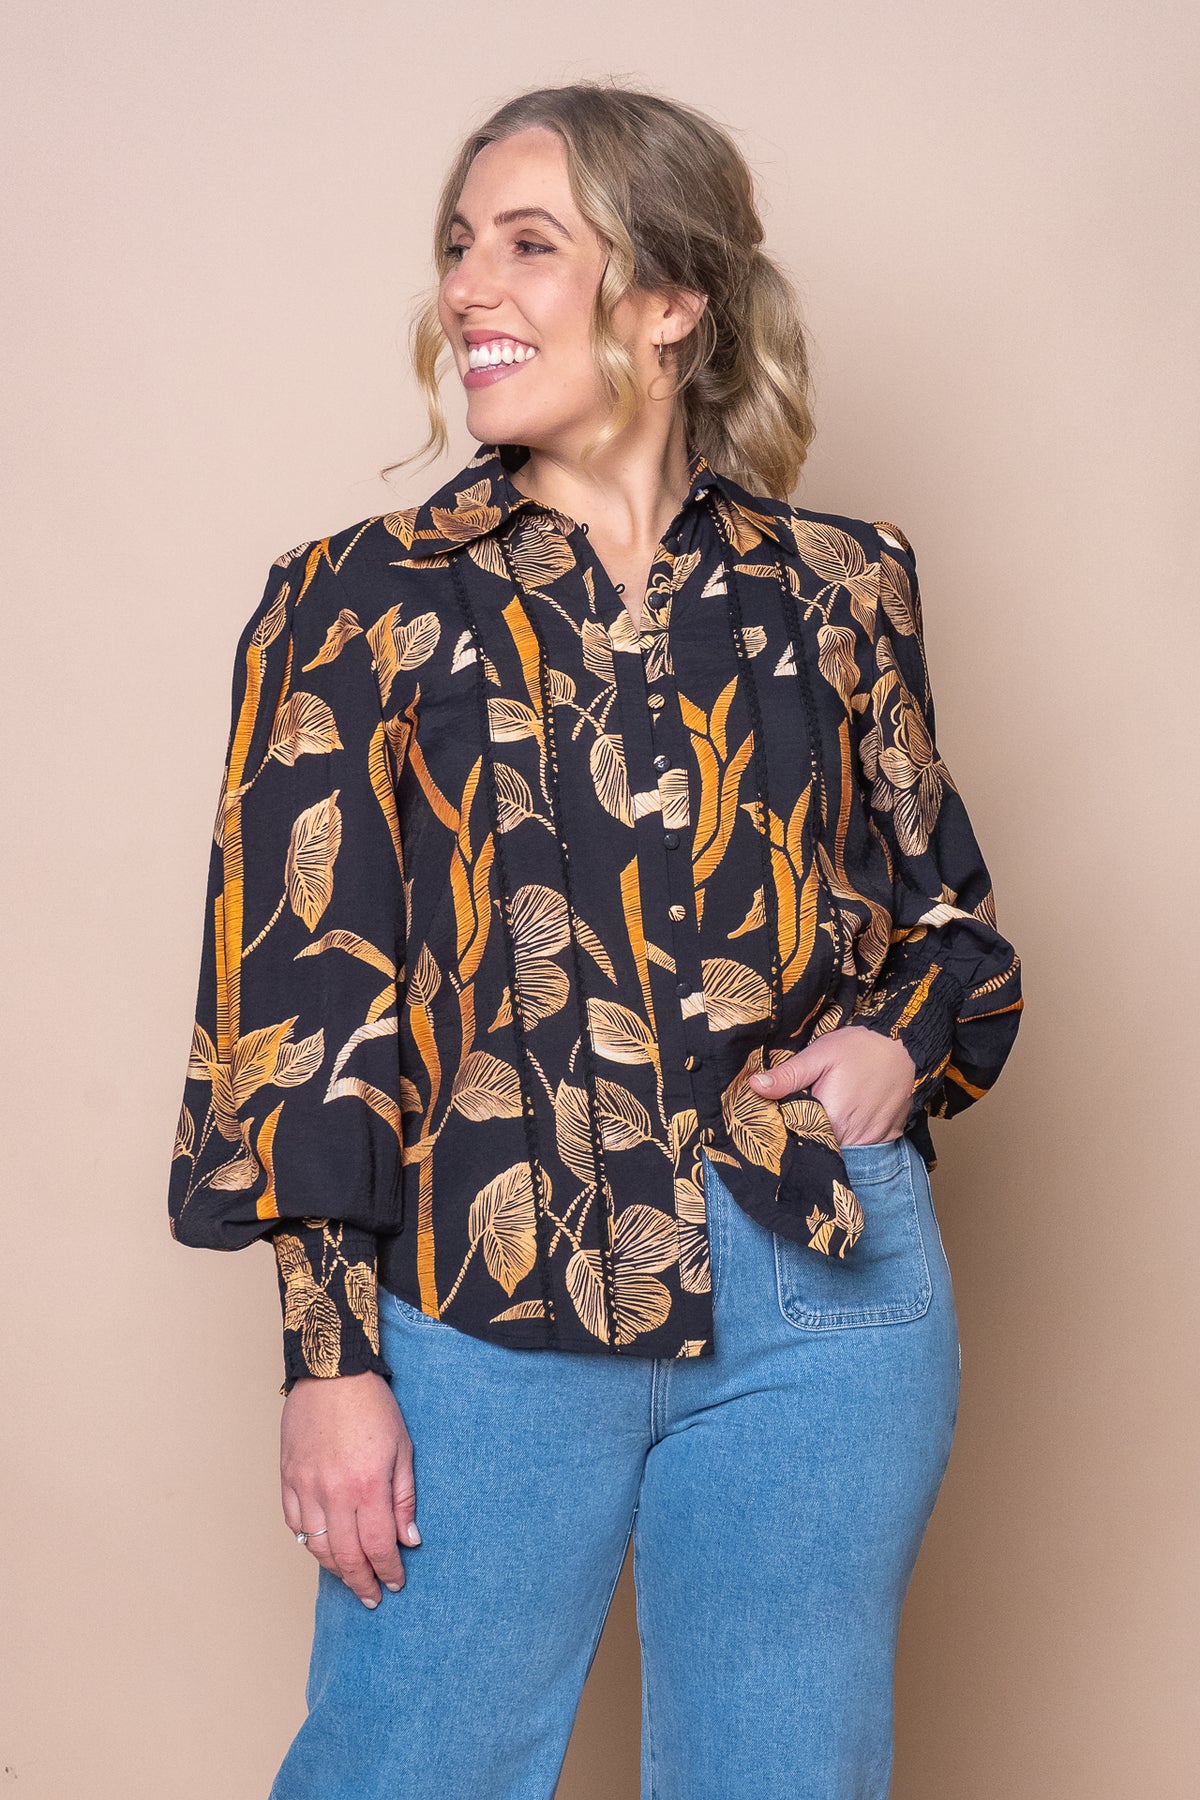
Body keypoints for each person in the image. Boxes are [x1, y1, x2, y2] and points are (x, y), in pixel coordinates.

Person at [167, 81, 1023, 1800]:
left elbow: (950, 922)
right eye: (459, 246)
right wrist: (331, 1362)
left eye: (529, 244)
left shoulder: (843, 588)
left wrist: (896, 1046)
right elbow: (300, 1009)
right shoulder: (355, 602)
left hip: (820, 1292)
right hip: (485, 1297)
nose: (468, 287)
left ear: (670, 300)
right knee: (404, 1764)